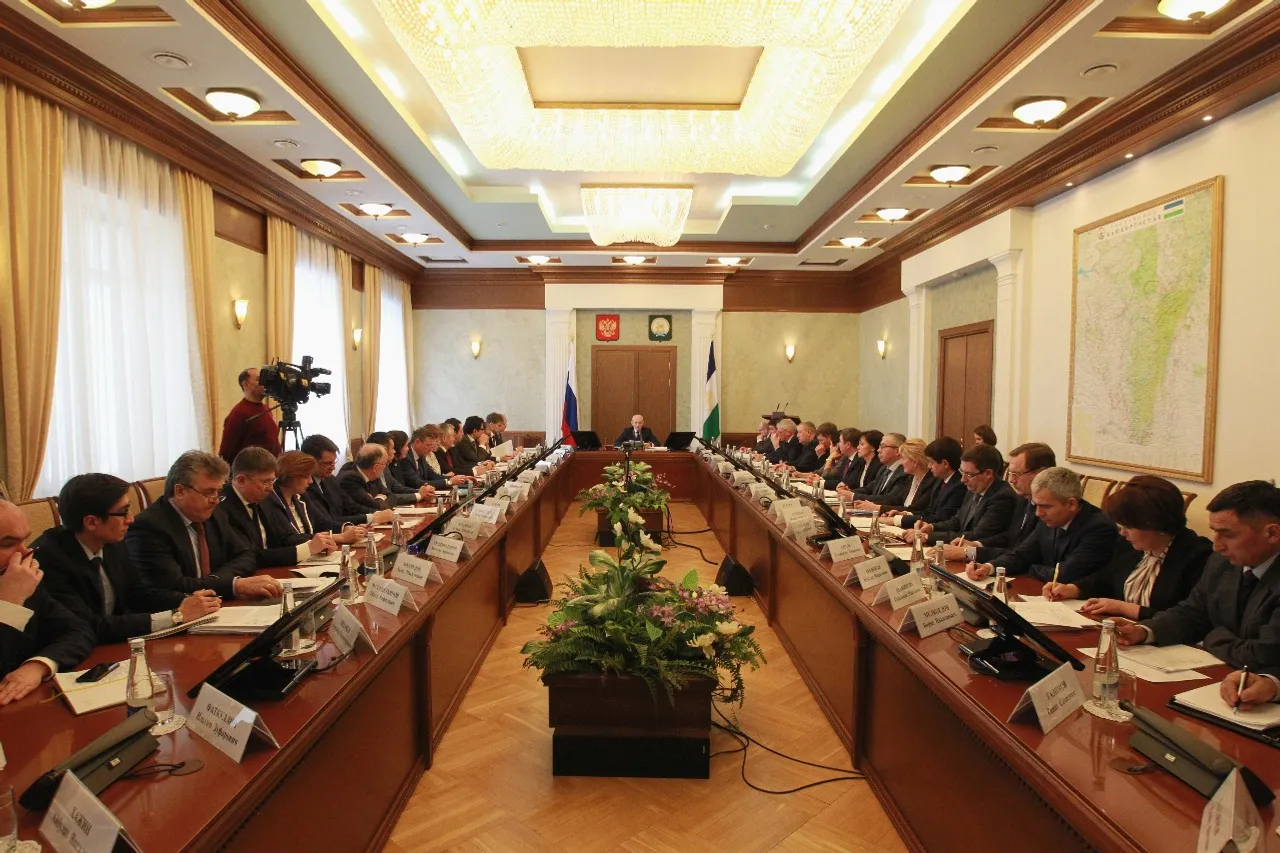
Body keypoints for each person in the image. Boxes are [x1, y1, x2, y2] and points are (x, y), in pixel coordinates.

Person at [1115, 481, 1280, 676]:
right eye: (1214, 532)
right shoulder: (1221, 562)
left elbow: (1262, 654)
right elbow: (1193, 612)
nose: (1216, 546)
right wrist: (1144, 631)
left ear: (1272, 533)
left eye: (1227, 535)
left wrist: (1211, 636)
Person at [35, 474, 221, 645]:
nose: (131, 519)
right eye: (123, 512)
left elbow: (139, 594)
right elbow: (90, 625)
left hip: (116, 643)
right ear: (91, 522)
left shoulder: (112, 543)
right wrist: (176, 616)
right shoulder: (49, 560)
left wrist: (191, 602)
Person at [1043, 475, 1211, 620]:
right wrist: (1072, 589)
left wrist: (1125, 608)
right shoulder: (1130, 546)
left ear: (1155, 523)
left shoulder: (1198, 556)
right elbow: (1106, 578)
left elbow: (1190, 619)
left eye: (1129, 527)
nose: (1122, 533)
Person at [126, 451, 281, 600]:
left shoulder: (215, 514)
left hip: (217, 604)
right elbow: (173, 585)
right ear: (180, 491)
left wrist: (216, 581)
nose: (216, 500)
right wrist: (233, 585)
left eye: (218, 492)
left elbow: (245, 555)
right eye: (209, 492)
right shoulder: (149, 527)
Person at [0, 500, 95, 704]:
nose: (25, 553)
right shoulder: (17, 583)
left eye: (25, 540)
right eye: (7, 544)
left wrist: (38, 666)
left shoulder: (22, 580)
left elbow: (79, 631)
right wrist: (9, 607)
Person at [969, 467, 1118, 583]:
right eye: (1036, 505)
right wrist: (989, 567)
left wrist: (1030, 567)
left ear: (1071, 504)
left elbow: (1064, 575)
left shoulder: (1099, 527)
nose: (1038, 513)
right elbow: (1022, 555)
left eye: (1045, 506)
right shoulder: (1048, 519)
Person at [217, 447, 337, 567]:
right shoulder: (223, 507)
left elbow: (284, 538)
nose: (270, 488)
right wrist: (307, 549)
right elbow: (250, 555)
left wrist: (319, 544)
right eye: (265, 482)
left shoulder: (264, 499)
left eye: (272, 481)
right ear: (241, 480)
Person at [907, 444, 1016, 554]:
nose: (963, 480)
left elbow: (977, 535)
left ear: (988, 473)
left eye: (968, 474)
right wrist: (931, 527)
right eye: (962, 472)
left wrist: (928, 537)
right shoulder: (974, 487)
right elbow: (957, 521)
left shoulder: (1002, 496)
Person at [261, 451, 365, 547]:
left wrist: (346, 528)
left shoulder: (301, 496)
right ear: (292, 476)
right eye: (306, 476)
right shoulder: (271, 501)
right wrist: (340, 537)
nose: (310, 481)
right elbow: (289, 539)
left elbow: (322, 522)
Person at [299, 434, 393, 530]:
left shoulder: (330, 479)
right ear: (310, 461)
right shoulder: (304, 487)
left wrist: (377, 514)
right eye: (327, 463)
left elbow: (351, 506)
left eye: (334, 461)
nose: (333, 467)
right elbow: (327, 520)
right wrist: (372, 518)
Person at [890, 437, 966, 528]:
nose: (929, 466)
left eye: (931, 462)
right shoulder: (940, 480)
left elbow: (941, 518)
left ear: (945, 464)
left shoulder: (959, 486)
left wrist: (899, 520)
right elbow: (928, 511)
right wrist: (905, 514)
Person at [217, 367, 281, 464]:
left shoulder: (266, 409)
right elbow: (226, 451)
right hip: (253, 470)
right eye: (259, 379)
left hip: (271, 468)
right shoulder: (239, 413)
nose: (265, 383)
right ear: (246, 385)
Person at [857, 438, 935, 514]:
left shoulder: (930, 482)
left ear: (914, 461)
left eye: (904, 458)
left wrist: (878, 508)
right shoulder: (911, 478)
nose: (901, 463)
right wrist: (871, 505)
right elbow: (896, 500)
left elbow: (916, 510)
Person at [339, 444, 403, 511]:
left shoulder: (373, 475)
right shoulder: (349, 480)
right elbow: (377, 508)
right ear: (376, 467)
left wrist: (377, 501)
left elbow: (392, 497)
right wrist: (380, 498)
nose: (385, 467)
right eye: (385, 464)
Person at [845, 432, 906, 501]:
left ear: (897, 451)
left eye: (883, 446)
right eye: (879, 446)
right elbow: (869, 489)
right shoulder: (883, 469)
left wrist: (853, 496)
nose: (878, 450)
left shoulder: (904, 472)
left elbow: (890, 499)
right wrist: (848, 492)